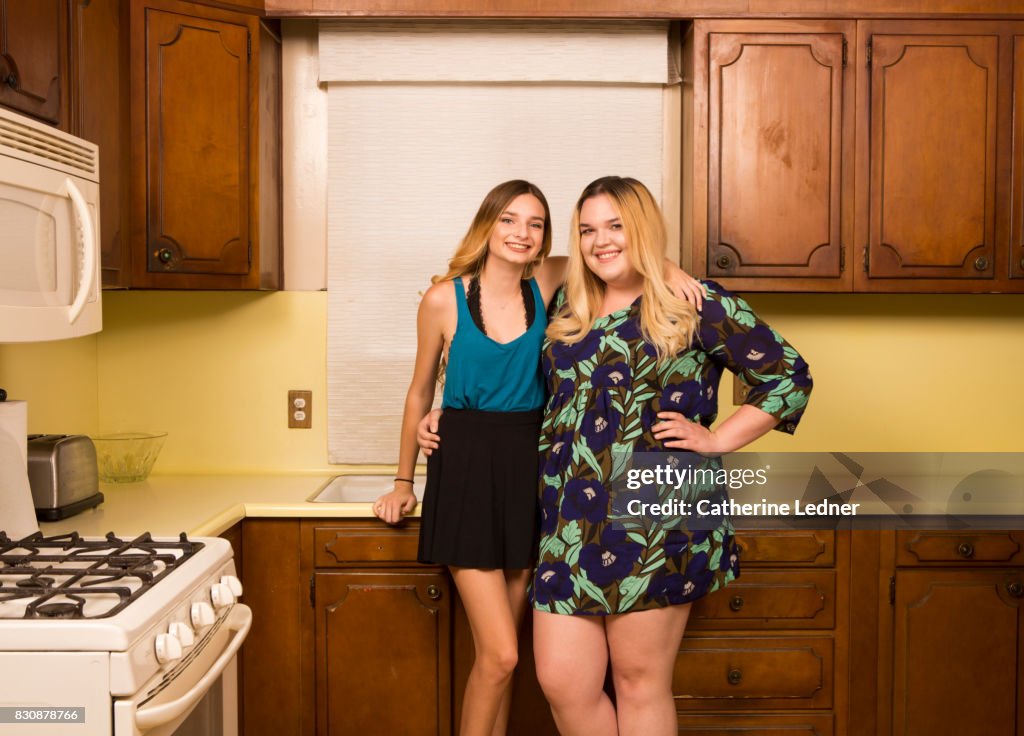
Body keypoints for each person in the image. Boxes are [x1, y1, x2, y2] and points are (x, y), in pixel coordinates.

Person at [375, 179, 705, 736]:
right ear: (486, 225)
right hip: (467, 475)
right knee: (501, 655)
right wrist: (404, 478)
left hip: (533, 475)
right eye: (508, 220)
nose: (521, 233)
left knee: (508, 659)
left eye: (534, 224)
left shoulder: (548, 282)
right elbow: (418, 393)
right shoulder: (442, 299)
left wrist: (669, 270)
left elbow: (609, 249)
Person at [529, 176, 812, 736]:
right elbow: (520, 256)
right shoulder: (567, 300)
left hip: (657, 513)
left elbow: (788, 376)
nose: (601, 241)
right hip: (566, 519)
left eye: (618, 226)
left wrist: (718, 439)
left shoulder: (694, 302)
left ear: (645, 229)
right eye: (588, 230)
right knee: (563, 680)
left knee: (639, 682)